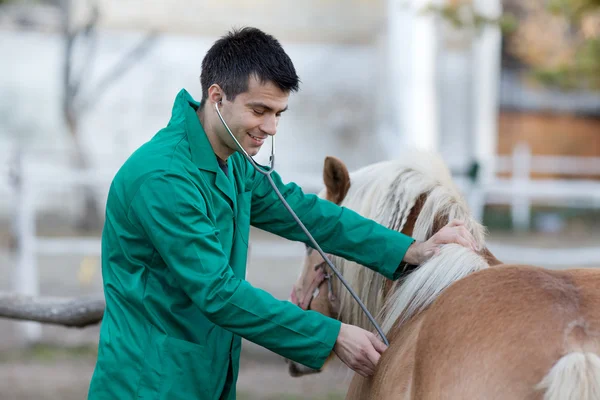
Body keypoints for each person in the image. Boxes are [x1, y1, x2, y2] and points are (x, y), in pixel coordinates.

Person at [87, 27, 478, 400]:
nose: (271, 127)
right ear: (217, 96)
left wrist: (409, 251)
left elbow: (305, 214)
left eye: (279, 113)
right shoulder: (164, 178)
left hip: (205, 372)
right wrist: (332, 335)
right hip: (149, 383)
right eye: (260, 110)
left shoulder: (233, 160)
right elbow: (218, 293)